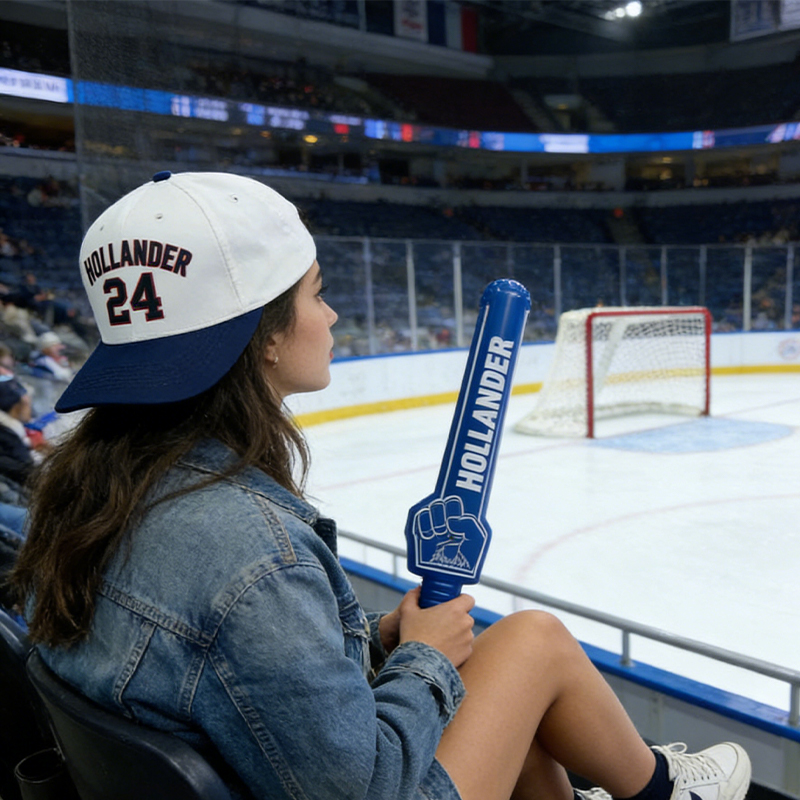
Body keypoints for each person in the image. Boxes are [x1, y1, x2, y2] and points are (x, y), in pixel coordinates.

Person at [10, 172, 752, 800]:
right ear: (265, 335)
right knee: (531, 642)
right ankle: (663, 791)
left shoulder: (86, 491)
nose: (330, 316)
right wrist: (425, 657)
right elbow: (363, 786)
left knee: (510, 712)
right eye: (316, 294)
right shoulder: (252, 552)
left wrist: (375, 642)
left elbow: (224, 678)